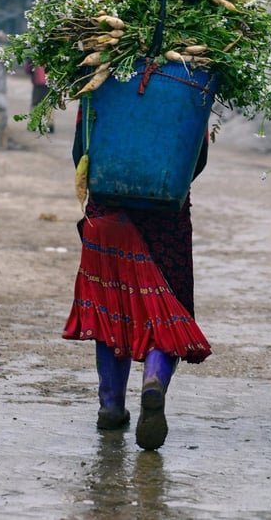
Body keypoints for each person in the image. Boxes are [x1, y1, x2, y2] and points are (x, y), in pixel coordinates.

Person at [62, 114, 211, 451]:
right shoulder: (189, 78)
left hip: (107, 210)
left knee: (108, 306)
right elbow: (197, 156)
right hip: (166, 215)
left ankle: (111, 406)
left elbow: (80, 150)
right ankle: (154, 379)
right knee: (166, 308)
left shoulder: (100, 80)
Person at [24, 61, 54, 132]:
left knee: (36, 103)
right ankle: (49, 125)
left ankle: (34, 124)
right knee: (47, 104)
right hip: (46, 82)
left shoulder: (34, 57)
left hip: (41, 82)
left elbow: (28, 70)